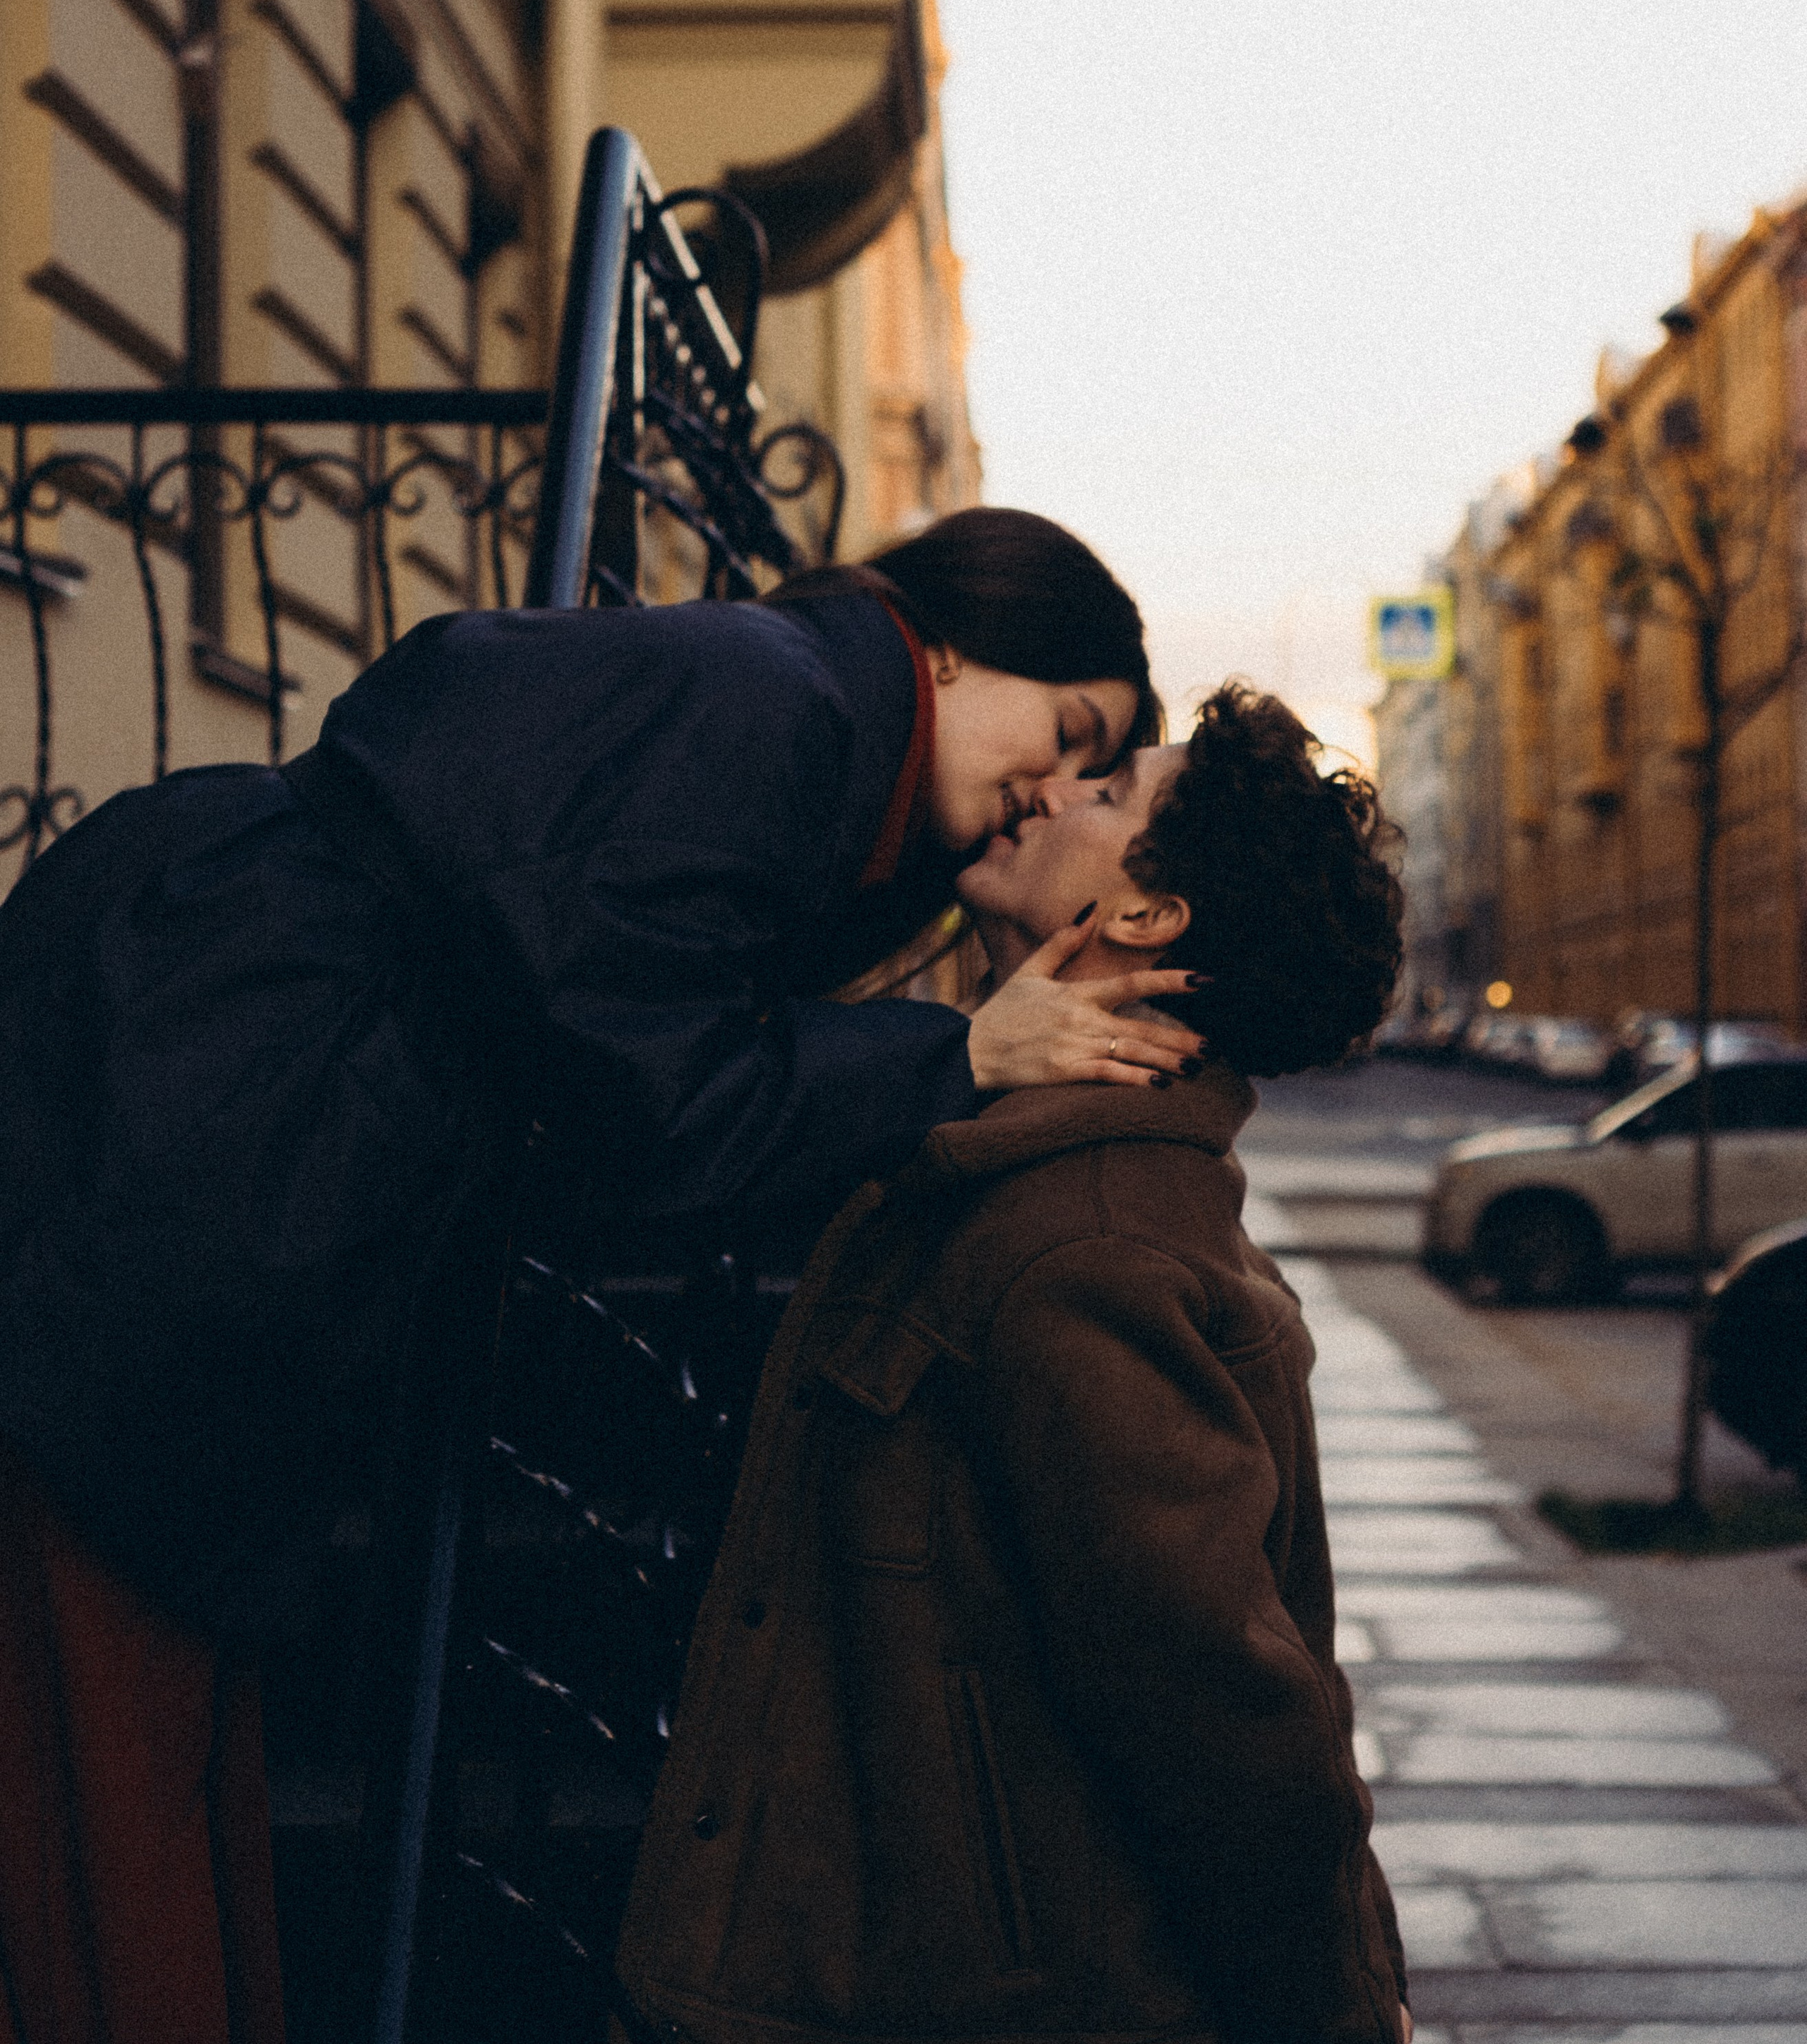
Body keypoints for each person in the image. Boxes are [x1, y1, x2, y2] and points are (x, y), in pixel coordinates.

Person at [0, 507, 1199, 2044]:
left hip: (238, 1066)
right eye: (1072, 731)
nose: (1052, 786)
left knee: (132, 1726)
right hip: (218, 1078)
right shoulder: (780, 702)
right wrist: (952, 1055)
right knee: (101, 1718)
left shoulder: (788, 710)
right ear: (958, 644)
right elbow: (658, 1093)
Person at [616, 682, 1412, 2044]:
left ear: (1148, 917)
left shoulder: (1082, 1247)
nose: (1052, 787)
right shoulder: (1008, 1174)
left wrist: (1342, 2013)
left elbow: (1225, 1715)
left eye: (1107, 793)